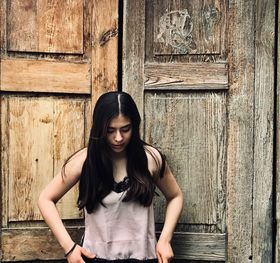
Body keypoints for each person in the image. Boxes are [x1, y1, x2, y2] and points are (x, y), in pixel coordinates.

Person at [38, 91, 183, 263]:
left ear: (134, 126)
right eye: (110, 130)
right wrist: (69, 248)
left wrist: (165, 240)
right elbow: (45, 199)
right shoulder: (84, 161)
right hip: (97, 258)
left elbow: (175, 196)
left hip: (145, 257)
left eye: (125, 129)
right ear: (99, 129)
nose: (118, 138)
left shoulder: (151, 158)